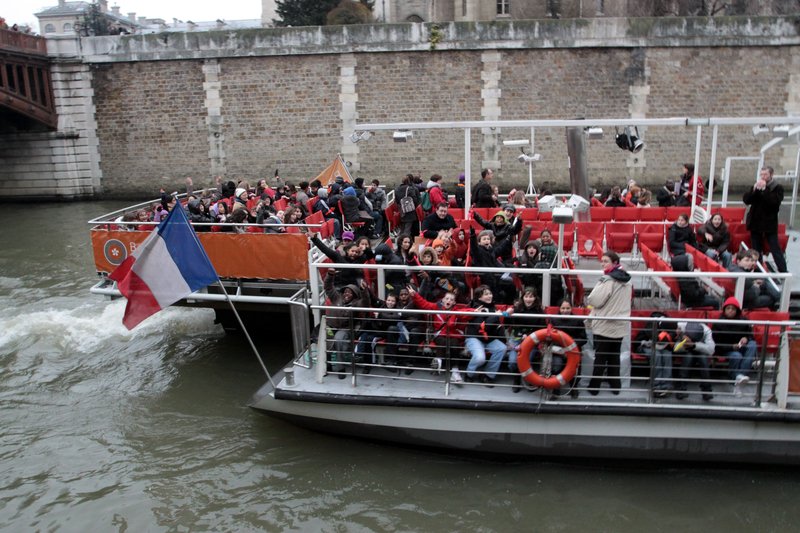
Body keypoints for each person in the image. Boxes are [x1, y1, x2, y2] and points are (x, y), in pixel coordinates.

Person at [586, 251, 632, 395]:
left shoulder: (608, 280)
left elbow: (594, 300)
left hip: (604, 324)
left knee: (600, 357)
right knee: (614, 357)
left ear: (614, 263)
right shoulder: (627, 281)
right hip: (620, 324)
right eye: (602, 261)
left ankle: (594, 388)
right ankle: (615, 387)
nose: (602, 263)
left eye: (605, 261)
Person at [324, 272, 370, 377]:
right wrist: (330, 275)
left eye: (350, 293)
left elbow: (366, 303)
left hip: (345, 329)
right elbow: (328, 287)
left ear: (354, 295)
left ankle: (341, 368)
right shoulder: (336, 297)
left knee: (339, 340)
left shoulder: (356, 303)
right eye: (345, 292)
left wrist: (364, 290)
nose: (347, 294)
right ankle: (327, 366)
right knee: (323, 339)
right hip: (330, 326)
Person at [463, 285, 511, 385]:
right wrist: (497, 315)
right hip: (474, 337)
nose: (489, 296)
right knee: (480, 358)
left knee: (502, 348)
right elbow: (482, 328)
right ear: (479, 298)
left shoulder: (493, 308)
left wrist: (506, 342)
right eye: (486, 294)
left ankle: (488, 375)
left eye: (490, 294)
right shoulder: (476, 307)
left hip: (488, 339)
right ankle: (468, 374)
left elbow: (498, 327)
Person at [743, 166, 786, 273]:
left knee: (775, 248)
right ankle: (758, 270)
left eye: (765, 175)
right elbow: (747, 200)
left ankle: (783, 271)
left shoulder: (778, 188)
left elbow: (774, 203)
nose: (763, 177)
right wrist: (754, 190)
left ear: (771, 175)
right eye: (761, 174)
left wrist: (764, 189)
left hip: (769, 224)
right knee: (756, 249)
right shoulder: (757, 186)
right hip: (755, 223)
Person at [711, 297, 756, 397]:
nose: (730, 310)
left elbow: (751, 335)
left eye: (733, 309)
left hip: (741, 346)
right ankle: (738, 378)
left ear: (737, 310)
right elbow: (716, 345)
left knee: (753, 344)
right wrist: (731, 347)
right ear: (724, 310)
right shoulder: (718, 324)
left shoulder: (744, 321)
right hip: (726, 349)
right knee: (737, 356)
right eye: (728, 308)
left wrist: (746, 338)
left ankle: (739, 377)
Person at [506, 287, 547, 392]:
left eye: (531, 297)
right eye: (526, 296)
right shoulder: (516, 308)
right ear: (523, 297)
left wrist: (529, 336)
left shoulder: (540, 311)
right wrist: (507, 313)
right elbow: (507, 324)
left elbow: (542, 329)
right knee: (512, 362)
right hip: (516, 339)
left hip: (531, 341)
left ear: (535, 298)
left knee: (527, 359)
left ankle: (528, 378)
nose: (528, 299)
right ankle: (516, 379)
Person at [549, 299, 589, 397]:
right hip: (558, 350)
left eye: (568, 308)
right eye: (563, 308)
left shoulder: (578, 320)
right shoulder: (554, 319)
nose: (565, 310)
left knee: (575, 369)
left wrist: (572, 344)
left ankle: (573, 388)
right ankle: (556, 388)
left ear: (571, 308)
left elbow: (584, 339)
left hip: (573, 350)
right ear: (559, 309)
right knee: (556, 366)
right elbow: (550, 336)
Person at [634, 312, 674, 397]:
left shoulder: (670, 325)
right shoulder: (651, 324)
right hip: (644, 344)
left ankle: (665, 385)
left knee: (667, 355)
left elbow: (670, 340)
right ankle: (656, 386)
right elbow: (653, 339)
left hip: (661, 346)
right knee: (656, 355)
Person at [673, 321, 715, 401]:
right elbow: (675, 348)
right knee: (689, 357)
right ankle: (681, 388)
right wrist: (682, 339)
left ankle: (707, 390)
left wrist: (694, 345)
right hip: (687, 351)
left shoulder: (706, 331)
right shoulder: (681, 327)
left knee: (703, 359)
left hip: (701, 350)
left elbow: (711, 350)